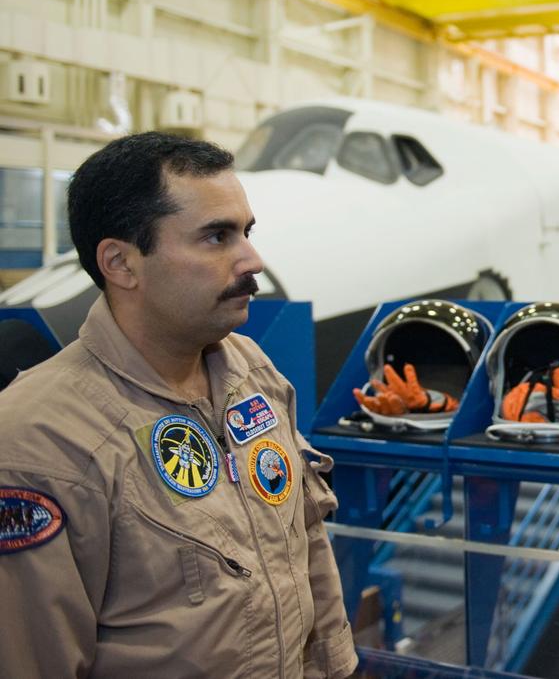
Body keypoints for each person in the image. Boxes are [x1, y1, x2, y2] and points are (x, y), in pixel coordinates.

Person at [0, 132, 357, 678]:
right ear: (121, 263)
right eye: (216, 237)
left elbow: (306, 543)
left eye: (246, 232)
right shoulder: (40, 441)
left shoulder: (250, 372)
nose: (251, 259)